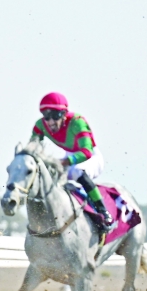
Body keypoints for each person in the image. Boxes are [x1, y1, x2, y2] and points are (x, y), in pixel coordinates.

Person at [29, 92, 113, 231]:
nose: (50, 122)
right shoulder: (40, 125)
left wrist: (64, 162)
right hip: (69, 156)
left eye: (55, 116)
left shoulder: (77, 122)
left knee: (76, 171)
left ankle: (103, 212)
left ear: (63, 114)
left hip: (91, 157)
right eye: (47, 116)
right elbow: (32, 148)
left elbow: (86, 151)